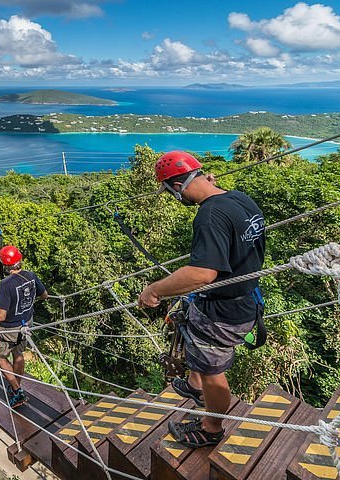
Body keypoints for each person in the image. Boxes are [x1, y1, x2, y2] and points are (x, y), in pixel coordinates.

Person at [138, 151, 265, 449]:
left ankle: (211, 428)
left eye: (169, 191)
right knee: (192, 329)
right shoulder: (240, 199)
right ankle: (195, 386)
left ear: (175, 186)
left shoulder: (209, 215)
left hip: (222, 311)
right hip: (245, 299)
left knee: (212, 370)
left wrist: (154, 290)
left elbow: (202, 273)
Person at [0, 246, 48, 408]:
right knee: (18, 354)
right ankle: (16, 387)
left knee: (1, 358)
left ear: (5, 265)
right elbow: (44, 296)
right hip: (26, 324)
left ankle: (17, 390)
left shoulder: (5, 284)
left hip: (8, 329)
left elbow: (0, 316)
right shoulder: (31, 276)